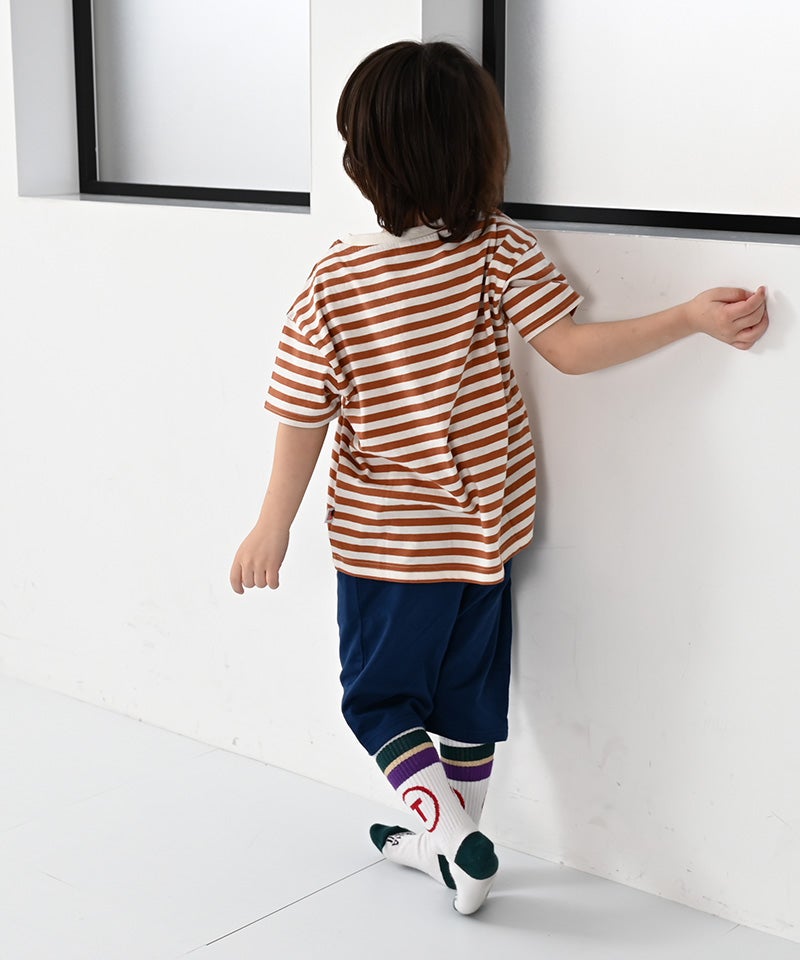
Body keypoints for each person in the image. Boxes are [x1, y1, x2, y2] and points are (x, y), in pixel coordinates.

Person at [229, 40, 768, 915]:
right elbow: (571, 350)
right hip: (484, 539)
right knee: (467, 705)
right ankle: (450, 851)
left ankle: (448, 836)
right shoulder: (497, 249)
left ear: (364, 163)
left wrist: (271, 523)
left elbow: (303, 412)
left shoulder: (336, 278)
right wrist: (687, 318)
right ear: (482, 152)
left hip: (387, 548)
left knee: (379, 703)